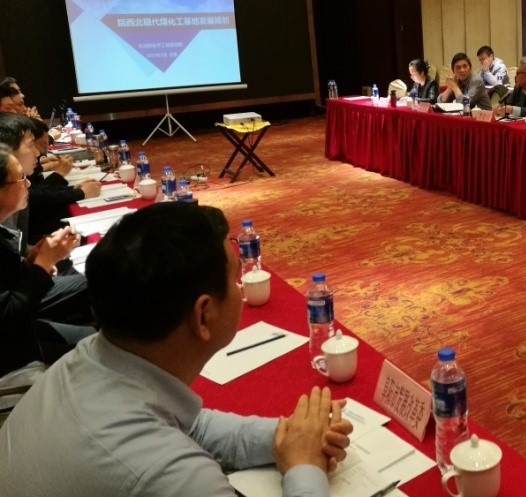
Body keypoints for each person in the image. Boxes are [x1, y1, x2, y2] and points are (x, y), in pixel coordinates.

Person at [0, 202, 353, 497]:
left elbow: (186, 424)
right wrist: (305, 467)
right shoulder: (167, 474)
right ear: (204, 315)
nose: (240, 289)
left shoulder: (92, 355)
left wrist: (292, 436)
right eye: (235, 280)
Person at [0, 145, 92, 376]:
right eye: (21, 178)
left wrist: (31, 263)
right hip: (11, 351)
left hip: (20, 330)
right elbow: (7, 317)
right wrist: (42, 265)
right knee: (98, 344)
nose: (28, 184)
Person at [27, 118, 102, 244]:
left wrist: (73, 189)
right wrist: (79, 192)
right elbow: (32, 196)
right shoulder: (10, 168)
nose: (38, 153)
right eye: (29, 145)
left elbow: (36, 190)